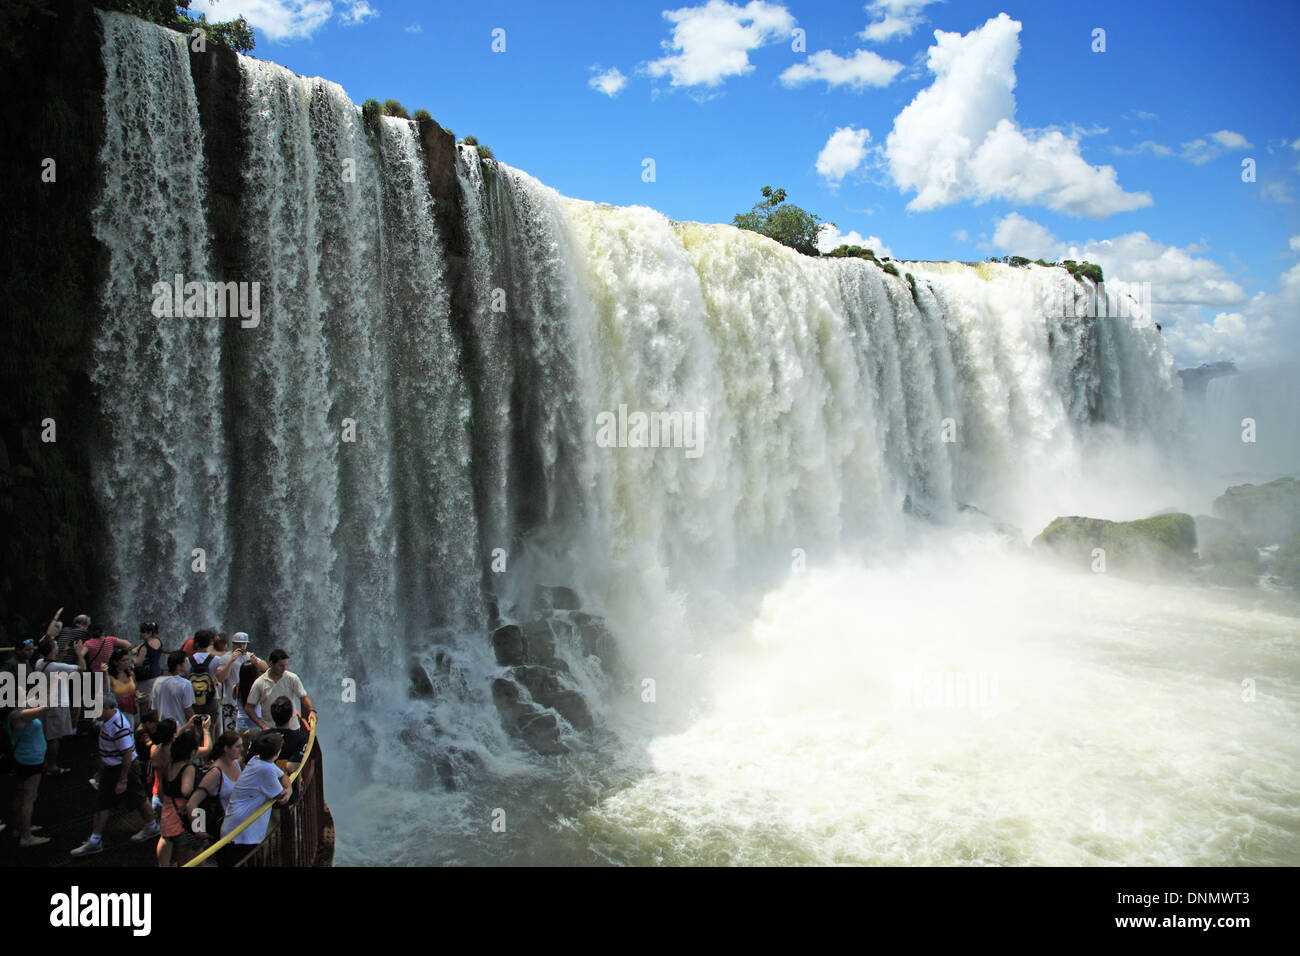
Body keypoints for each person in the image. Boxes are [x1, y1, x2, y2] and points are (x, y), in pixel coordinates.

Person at [70, 694, 159, 856]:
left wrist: (123, 779)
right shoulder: (107, 722)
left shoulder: (119, 726)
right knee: (102, 802)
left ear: (106, 709)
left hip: (124, 769)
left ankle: (152, 827)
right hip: (112, 768)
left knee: (138, 799)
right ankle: (95, 840)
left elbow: (126, 753)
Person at [216, 732, 289, 866]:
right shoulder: (264, 769)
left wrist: (287, 788)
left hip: (242, 834)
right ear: (278, 753)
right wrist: (288, 791)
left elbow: (283, 777)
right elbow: (282, 798)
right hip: (239, 836)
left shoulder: (257, 760)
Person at [33, 635, 87, 776]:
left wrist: (61, 653)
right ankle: (52, 766)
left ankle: (44, 763)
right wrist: (79, 654)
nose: (58, 645)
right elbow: (82, 668)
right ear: (51, 649)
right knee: (54, 738)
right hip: (57, 704)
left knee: (46, 734)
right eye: (55, 644)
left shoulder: (39, 663)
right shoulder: (58, 667)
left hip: (43, 703)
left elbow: (53, 663)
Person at [153, 726, 204, 867]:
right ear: (192, 752)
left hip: (167, 812)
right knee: (191, 849)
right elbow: (186, 790)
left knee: (166, 839)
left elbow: (161, 793)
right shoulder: (188, 768)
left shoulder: (168, 765)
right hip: (184, 817)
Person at [6, 702, 51, 847]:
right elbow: (46, 706)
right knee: (29, 798)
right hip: (30, 760)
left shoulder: (17, 713)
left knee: (20, 795)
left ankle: (19, 827)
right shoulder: (20, 715)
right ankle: (26, 837)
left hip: (23, 757)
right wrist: (57, 682)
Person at [188, 731, 242, 840]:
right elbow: (192, 803)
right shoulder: (215, 773)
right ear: (226, 749)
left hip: (239, 826)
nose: (242, 749)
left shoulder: (236, 763)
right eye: (238, 746)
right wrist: (198, 830)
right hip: (223, 829)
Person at [245, 650, 312, 731]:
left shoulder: (292, 678)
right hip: (270, 731)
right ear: (271, 663)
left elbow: (304, 698)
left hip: (292, 728)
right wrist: (262, 726)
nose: (284, 669)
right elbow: (249, 708)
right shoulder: (260, 682)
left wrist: (312, 711)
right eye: (281, 666)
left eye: (285, 665)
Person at [252, 697, 311, 774]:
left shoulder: (259, 736)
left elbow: (248, 762)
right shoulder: (300, 738)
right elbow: (290, 767)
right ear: (291, 716)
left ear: (272, 715)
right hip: (285, 782)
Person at [213, 632, 258, 733]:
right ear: (233, 644)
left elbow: (265, 668)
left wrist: (256, 662)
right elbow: (220, 678)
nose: (241, 646)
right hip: (230, 704)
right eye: (238, 644)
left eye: (244, 644)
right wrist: (231, 661)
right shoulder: (225, 658)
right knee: (230, 734)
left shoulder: (249, 656)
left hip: (247, 703)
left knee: (248, 733)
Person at [151, 651, 195, 727]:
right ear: (178, 666)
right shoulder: (185, 684)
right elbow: (188, 710)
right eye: (185, 661)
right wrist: (194, 729)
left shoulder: (157, 682)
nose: (187, 664)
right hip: (181, 728)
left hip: (165, 728)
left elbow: (154, 709)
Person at [187, 630, 219, 726]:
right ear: (210, 643)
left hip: (194, 698)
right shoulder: (216, 660)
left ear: (196, 643)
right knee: (211, 727)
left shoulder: (188, 660)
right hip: (210, 697)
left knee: (196, 725)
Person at [131, 621, 163, 711]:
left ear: (149, 633)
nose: (140, 634)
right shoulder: (158, 641)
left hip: (146, 678)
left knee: (144, 703)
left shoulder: (144, 648)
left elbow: (138, 663)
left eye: (142, 632)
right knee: (154, 702)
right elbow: (147, 643)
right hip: (157, 675)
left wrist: (133, 658)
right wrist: (138, 647)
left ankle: (144, 721)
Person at [235, 657, 268, 740]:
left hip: (241, 723)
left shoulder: (236, 688)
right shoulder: (259, 688)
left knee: (243, 750)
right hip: (256, 722)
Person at [107, 648, 138, 729]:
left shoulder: (130, 674)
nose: (127, 662)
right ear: (115, 662)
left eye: (127, 660)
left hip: (130, 710)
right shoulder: (109, 678)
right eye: (123, 660)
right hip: (117, 712)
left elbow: (134, 689)